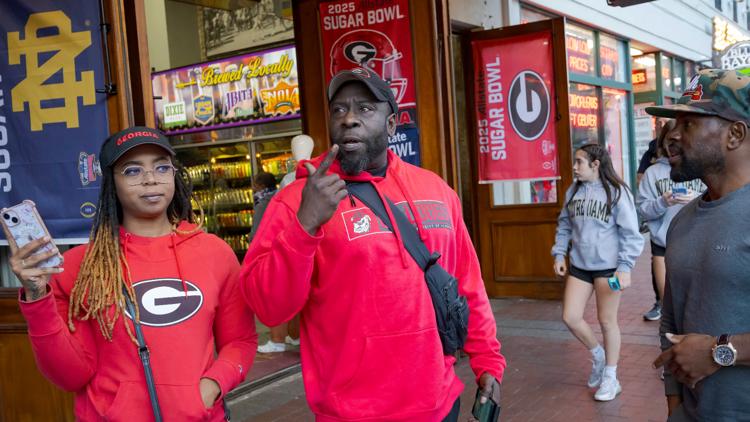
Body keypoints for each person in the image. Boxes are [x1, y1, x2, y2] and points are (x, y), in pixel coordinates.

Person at [240, 68, 505, 421]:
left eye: (364, 109)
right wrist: (305, 226)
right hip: (352, 413)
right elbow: (268, 308)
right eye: (339, 110)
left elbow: (467, 284)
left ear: (392, 124)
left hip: (439, 404)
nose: (349, 119)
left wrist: (487, 362)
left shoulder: (436, 190)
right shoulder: (297, 200)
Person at [9, 127, 257, 421]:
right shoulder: (81, 266)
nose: (151, 178)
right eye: (132, 171)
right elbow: (69, 376)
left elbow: (240, 342)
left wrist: (209, 389)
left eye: (162, 167)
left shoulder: (215, 253)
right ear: (111, 184)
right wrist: (38, 297)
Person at [648, 69, 750, 421]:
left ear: (735, 134)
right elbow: (670, 323)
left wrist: (720, 351)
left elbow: (711, 350)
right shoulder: (682, 222)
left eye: (689, 123)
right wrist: (674, 403)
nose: (671, 136)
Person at [552, 143, 644, 402]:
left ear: (595, 164)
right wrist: (560, 253)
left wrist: (625, 267)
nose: (575, 167)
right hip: (580, 266)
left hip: (609, 269)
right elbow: (564, 225)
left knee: (607, 322)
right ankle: (598, 355)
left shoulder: (616, 192)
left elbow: (631, 234)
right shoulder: (574, 191)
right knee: (570, 317)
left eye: (580, 162)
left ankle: (611, 378)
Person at [636, 120, 704, 323]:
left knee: (696, 301)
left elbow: (717, 200)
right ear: (662, 141)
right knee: (670, 305)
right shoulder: (653, 173)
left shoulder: (699, 167)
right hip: (663, 243)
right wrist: (662, 202)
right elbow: (643, 210)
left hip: (696, 241)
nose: (675, 142)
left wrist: (696, 198)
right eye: (669, 138)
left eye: (680, 137)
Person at [250, 171, 300, 352]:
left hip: (277, 248)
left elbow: (260, 230)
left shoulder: (272, 200)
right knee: (295, 295)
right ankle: (295, 336)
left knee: (275, 293)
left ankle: (277, 340)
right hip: (296, 246)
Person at [636, 118, 666, 321]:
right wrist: (662, 199)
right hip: (662, 235)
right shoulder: (652, 154)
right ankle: (661, 304)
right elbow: (640, 177)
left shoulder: (700, 164)